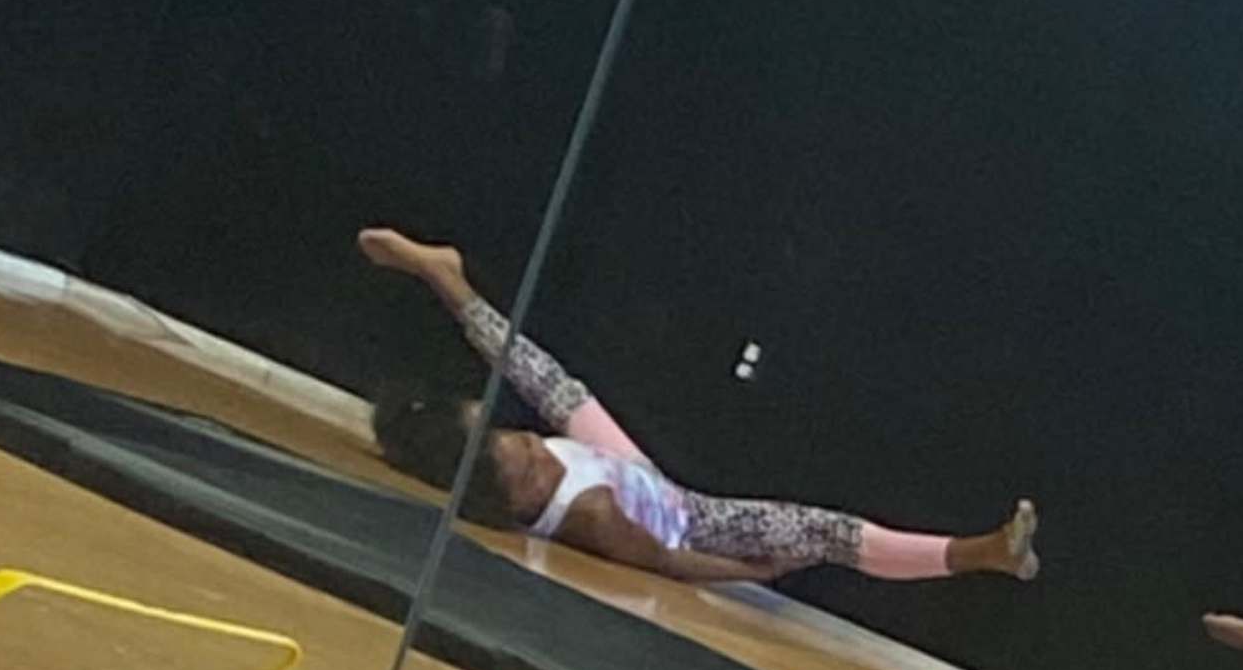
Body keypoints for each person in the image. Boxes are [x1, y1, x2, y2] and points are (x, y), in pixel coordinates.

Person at [357, 228, 1036, 595]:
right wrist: (746, 572)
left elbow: (527, 416)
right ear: (516, 503)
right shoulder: (592, 516)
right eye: (528, 465)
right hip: (687, 517)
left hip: (621, 467)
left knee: (544, 379)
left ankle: (445, 278)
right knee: (828, 531)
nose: (534, 447)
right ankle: (980, 553)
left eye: (519, 439)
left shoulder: (528, 465)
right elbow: (667, 562)